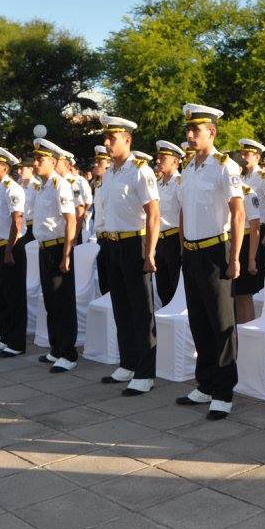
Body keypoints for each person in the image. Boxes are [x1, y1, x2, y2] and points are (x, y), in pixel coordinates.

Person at [174, 104, 244, 418]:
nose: (190, 135)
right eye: (188, 130)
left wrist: (235, 256)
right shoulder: (187, 168)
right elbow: (182, 211)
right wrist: (182, 247)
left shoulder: (225, 166)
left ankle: (224, 389)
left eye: (196, 130)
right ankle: (205, 383)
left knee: (221, 322)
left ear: (211, 132)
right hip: (191, 251)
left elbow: (238, 212)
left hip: (217, 250)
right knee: (199, 319)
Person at [96, 115, 161, 395]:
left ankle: (145, 372)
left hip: (134, 243)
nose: (107, 143)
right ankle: (128, 362)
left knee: (141, 309)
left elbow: (154, 214)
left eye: (112, 138)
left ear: (128, 139)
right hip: (111, 244)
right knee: (121, 306)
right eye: (106, 138)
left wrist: (150, 253)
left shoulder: (140, 171)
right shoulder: (110, 171)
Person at [32, 138, 79, 372]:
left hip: (58, 247)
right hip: (44, 247)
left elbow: (71, 221)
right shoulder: (42, 186)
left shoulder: (61, 185)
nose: (35, 163)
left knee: (63, 302)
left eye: (40, 159)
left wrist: (67, 255)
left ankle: (69, 353)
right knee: (50, 301)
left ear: (52, 161)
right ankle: (56, 348)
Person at [0, 146, 28, 357]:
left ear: (4, 167)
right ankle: (5, 336)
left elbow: (16, 220)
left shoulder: (12, 188)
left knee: (14, 296)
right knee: (1, 294)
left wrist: (9, 250)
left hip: (10, 248)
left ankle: (16, 343)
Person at [238, 138, 265, 299]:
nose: (244, 156)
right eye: (242, 153)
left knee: (256, 276)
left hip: (261, 229)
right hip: (242, 230)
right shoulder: (240, 176)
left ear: (257, 157)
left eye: (247, 154)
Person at [230, 150, 262, 323]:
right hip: (227, 243)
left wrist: (251, 260)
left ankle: (245, 331)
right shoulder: (222, 190)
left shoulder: (248, 193)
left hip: (245, 243)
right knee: (230, 295)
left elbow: (255, 227)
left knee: (243, 295)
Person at [153, 140, 184, 307]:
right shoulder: (157, 184)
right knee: (162, 288)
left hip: (174, 238)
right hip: (159, 239)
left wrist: (181, 247)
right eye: (158, 157)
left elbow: (183, 214)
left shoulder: (179, 183)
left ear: (175, 161)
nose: (158, 161)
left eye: (163, 157)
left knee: (175, 286)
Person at [91, 144, 112, 292]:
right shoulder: (98, 186)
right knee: (104, 282)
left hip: (112, 238)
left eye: (101, 162)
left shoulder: (112, 184)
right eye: (96, 161)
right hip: (100, 238)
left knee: (113, 283)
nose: (96, 165)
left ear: (109, 163)